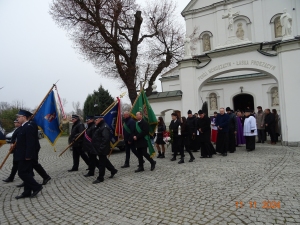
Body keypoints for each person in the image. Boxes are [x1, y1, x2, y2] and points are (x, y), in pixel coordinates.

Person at [14, 109, 43, 199]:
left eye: (19, 117)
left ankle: (37, 186)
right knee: (27, 173)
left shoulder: (29, 126)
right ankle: (27, 192)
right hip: (22, 154)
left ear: (24, 117)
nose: (17, 118)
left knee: (22, 173)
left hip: (25, 155)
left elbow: (30, 142)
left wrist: (28, 155)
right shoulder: (23, 126)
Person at [91, 115, 118, 183]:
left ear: (100, 119)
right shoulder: (100, 126)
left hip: (102, 148)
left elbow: (105, 139)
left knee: (101, 163)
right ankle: (113, 170)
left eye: (96, 120)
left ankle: (100, 177)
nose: (95, 122)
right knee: (104, 161)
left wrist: (101, 149)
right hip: (99, 148)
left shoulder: (104, 127)